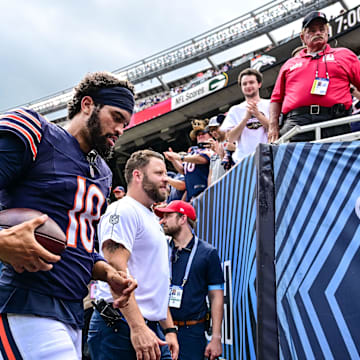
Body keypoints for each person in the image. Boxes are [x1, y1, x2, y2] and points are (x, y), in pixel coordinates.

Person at [0, 71, 138, 359]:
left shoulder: (101, 173)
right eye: (116, 116)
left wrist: (108, 274)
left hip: (71, 311)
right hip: (24, 301)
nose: (120, 129)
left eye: (126, 123)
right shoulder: (37, 133)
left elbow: (80, 247)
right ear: (87, 104)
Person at [88, 150, 179, 360]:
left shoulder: (149, 217)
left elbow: (154, 282)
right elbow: (115, 271)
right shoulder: (123, 210)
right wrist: (137, 327)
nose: (166, 178)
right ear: (137, 175)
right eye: (159, 173)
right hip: (121, 326)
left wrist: (169, 329)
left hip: (147, 326)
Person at [268, 11, 360, 142]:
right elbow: (276, 99)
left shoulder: (345, 55)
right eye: (312, 30)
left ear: (328, 32)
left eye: (321, 29)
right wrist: (273, 126)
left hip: (335, 120)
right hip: (296, 122)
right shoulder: (290, 64)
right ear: (302, 37)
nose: (318, 33)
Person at [155, 201, 224, 360]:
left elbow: (216, 297)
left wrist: (216, 338)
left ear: (182, 219)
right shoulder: (160, 250)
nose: (162, 221)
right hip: (162, 331)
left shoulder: (207, 253)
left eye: (168, 216)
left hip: (192, 333)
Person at [220, 68, 269, 163]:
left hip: (267, 156)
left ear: (259, 84)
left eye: (251, 82)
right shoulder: (235, 110)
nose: (248, 86)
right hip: (244, 161)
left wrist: (258, 115)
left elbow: (275, 129)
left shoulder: (270, 104)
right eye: (244, 84)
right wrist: (245, 119)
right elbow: (230, 138)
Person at [164, 120, 214, 202]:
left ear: (210, 135)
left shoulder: (211, 147)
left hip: (205, 190)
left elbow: (202, 159)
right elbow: (184, 171)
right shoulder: (192, 151)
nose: (200, 136)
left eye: (203, 133)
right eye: (198, 134)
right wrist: (173, 160)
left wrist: (180, 157)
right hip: (192, 195)